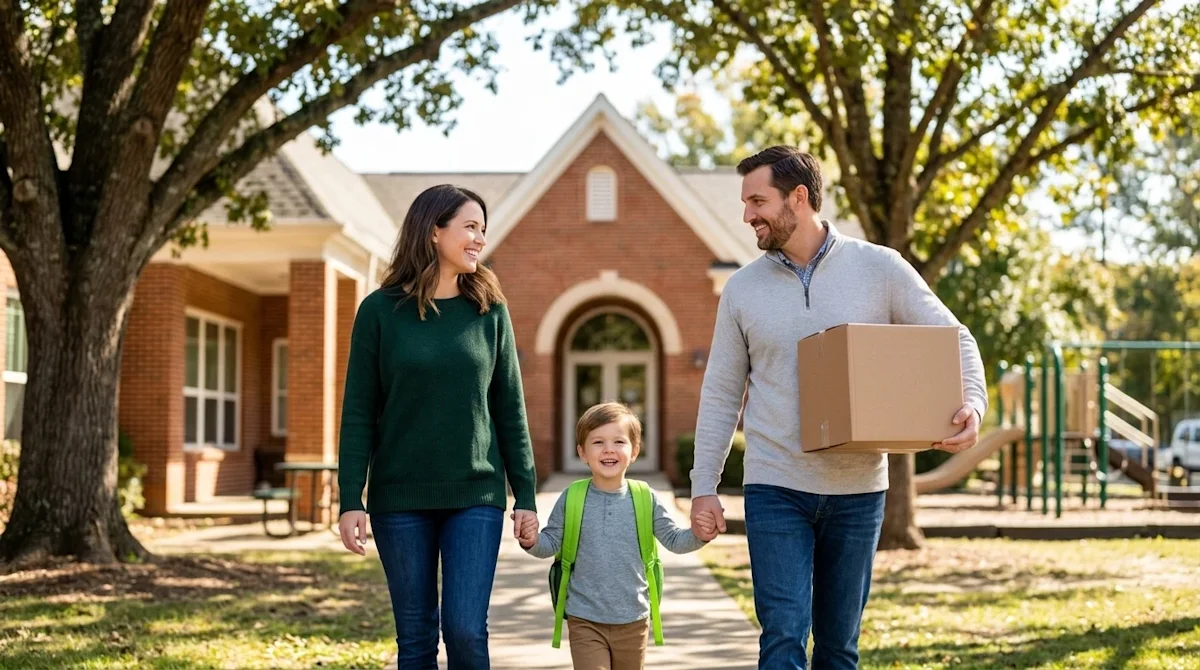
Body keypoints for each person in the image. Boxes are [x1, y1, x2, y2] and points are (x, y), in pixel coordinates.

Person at [688, 147, 988, 669]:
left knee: (838, 647)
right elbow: (720, 392)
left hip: (858, 490)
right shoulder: (741, 289)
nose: (746, 215)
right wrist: (703, 487)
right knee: (782, 639)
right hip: (775, 486)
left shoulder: (880, 268)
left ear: (798, 198)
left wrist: (974, 405)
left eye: (758, 200)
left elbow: (954, 336)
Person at [336, 184, 539, 669]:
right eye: (470, 227)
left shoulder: (489, 310)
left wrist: (525, 494)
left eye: (482, 230)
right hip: (399, 498)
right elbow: (359, 410)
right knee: (416, 638)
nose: (479, 240)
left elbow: (509, 406)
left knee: (466, 632)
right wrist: (350, 498)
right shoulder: (380, 311)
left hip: (475, 494)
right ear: (433, 230)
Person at [517, 402, 717, 669]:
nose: (608, 449)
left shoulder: (645, 497)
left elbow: (674, 540)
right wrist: (531, 540)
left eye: (618, 442)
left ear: (634, 451)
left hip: (634, 619)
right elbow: (550, 543)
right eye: (597, 442)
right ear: (582, 452)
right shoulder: (572, 497)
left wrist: (699, 534)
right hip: (584, 617)